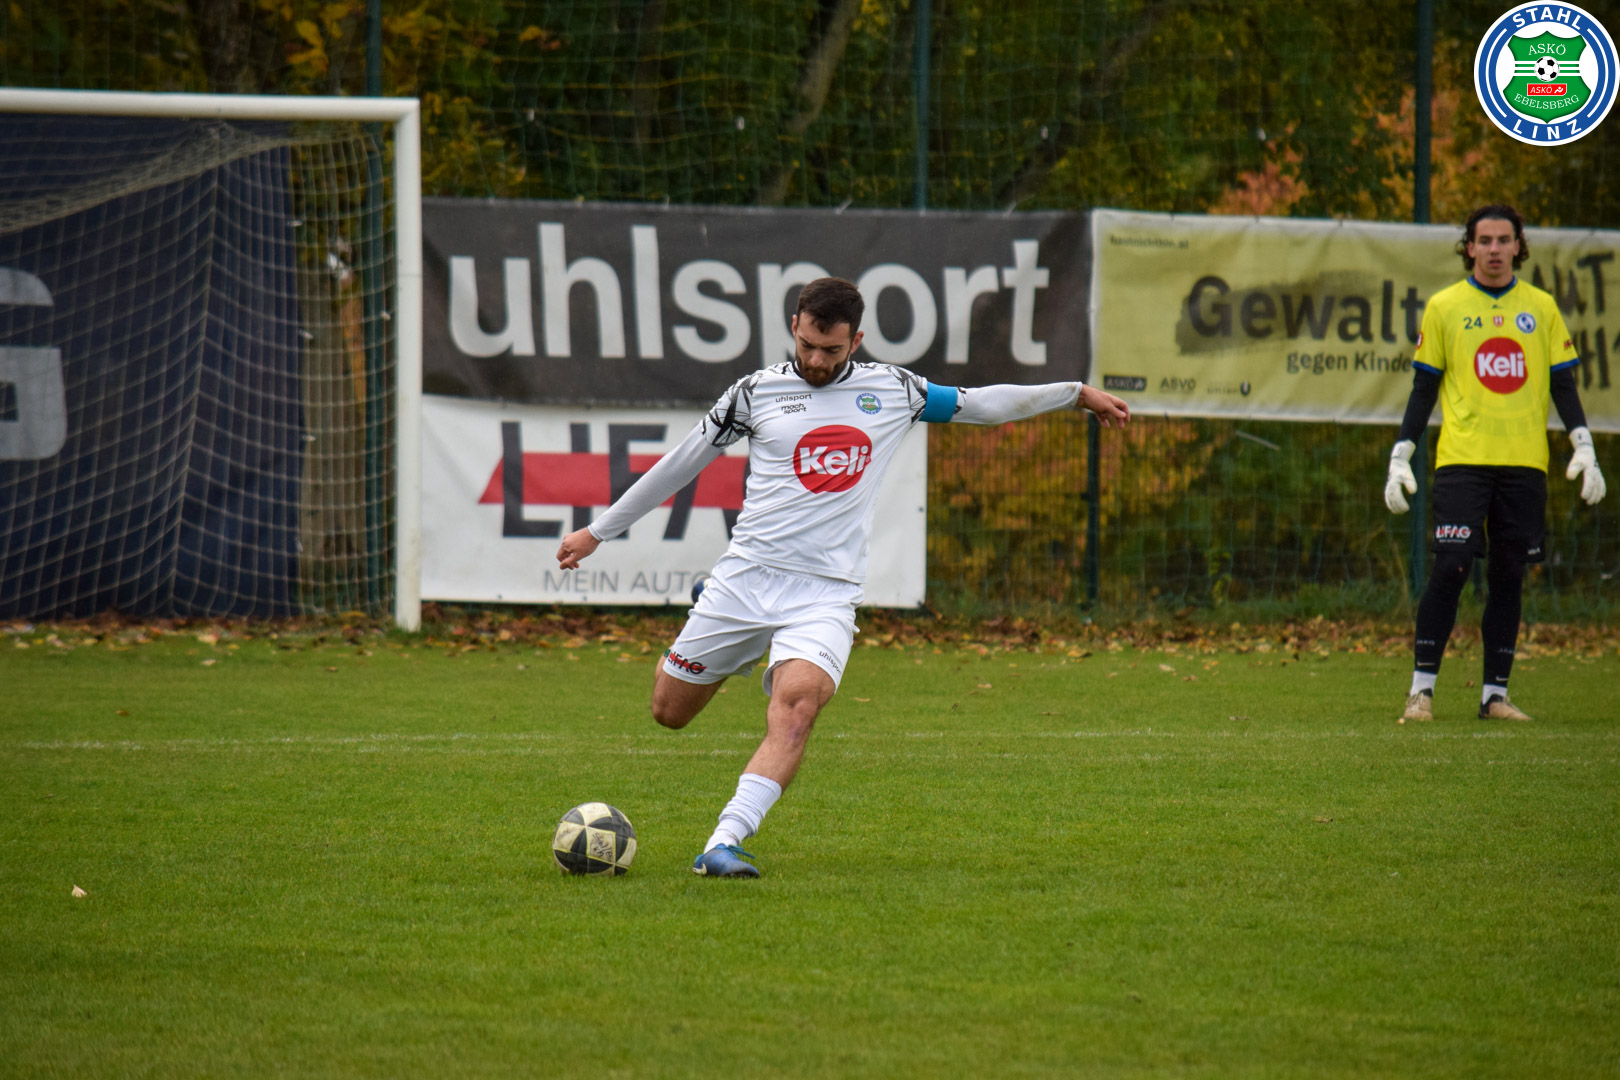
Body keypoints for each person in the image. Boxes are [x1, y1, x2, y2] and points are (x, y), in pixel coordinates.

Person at [556, 277, 1130, 876]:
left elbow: (981, 404)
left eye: (831, 350)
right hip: (745, 581)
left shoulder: (894, 390)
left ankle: (723, 843)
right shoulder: (754, 393)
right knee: (669, 711)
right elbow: (680, 464)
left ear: (855, 341)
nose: (815, 360)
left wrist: (1074, 394)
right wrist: (598, 532)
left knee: (798, 709)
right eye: (807, 345)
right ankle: (723, 627)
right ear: (794, 327)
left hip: (824, 595)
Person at [1385, 204, 1606, 723]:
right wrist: (1402, 454)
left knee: (1509, 574)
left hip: (1524, 465)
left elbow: (1562, 384)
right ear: (1469, 247)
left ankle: (1494, 697)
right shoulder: (1445, 306)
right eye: (1484, 240)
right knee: (1451, 566)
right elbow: (1424, 387)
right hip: (1463, 462)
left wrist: (1584, 446)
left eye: (1504, 240)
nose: (1494, 249)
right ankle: (1421, 692)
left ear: (1518, 246)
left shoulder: (1541, 308)